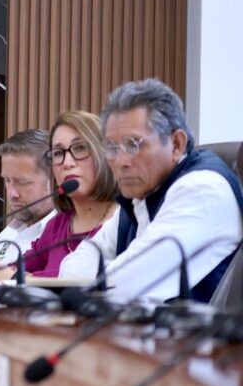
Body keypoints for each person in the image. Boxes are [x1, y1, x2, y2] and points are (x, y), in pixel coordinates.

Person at [62, 79, 242, 303]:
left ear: (176, 144)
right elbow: (71, 269)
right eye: (112, 148)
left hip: (196, 327)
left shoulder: (203, 190)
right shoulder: (140, 194)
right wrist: (115, 271)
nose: (121, 161)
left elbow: (124, 288)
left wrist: (112, 272)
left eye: (134, 144)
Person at [0, 111, 120, 279]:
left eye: (80, 148)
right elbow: (13, 268)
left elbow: (90, 280)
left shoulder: (125, 219)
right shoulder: (58, 225)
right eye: (58, 153)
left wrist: (18, 278)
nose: (67, 163)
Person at [0, 129, 57, 270]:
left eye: (22, 182)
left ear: (53, 179)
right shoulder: (7, 235)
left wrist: (9, 278)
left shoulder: (68, 234)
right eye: (7, 180)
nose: (11, 193)